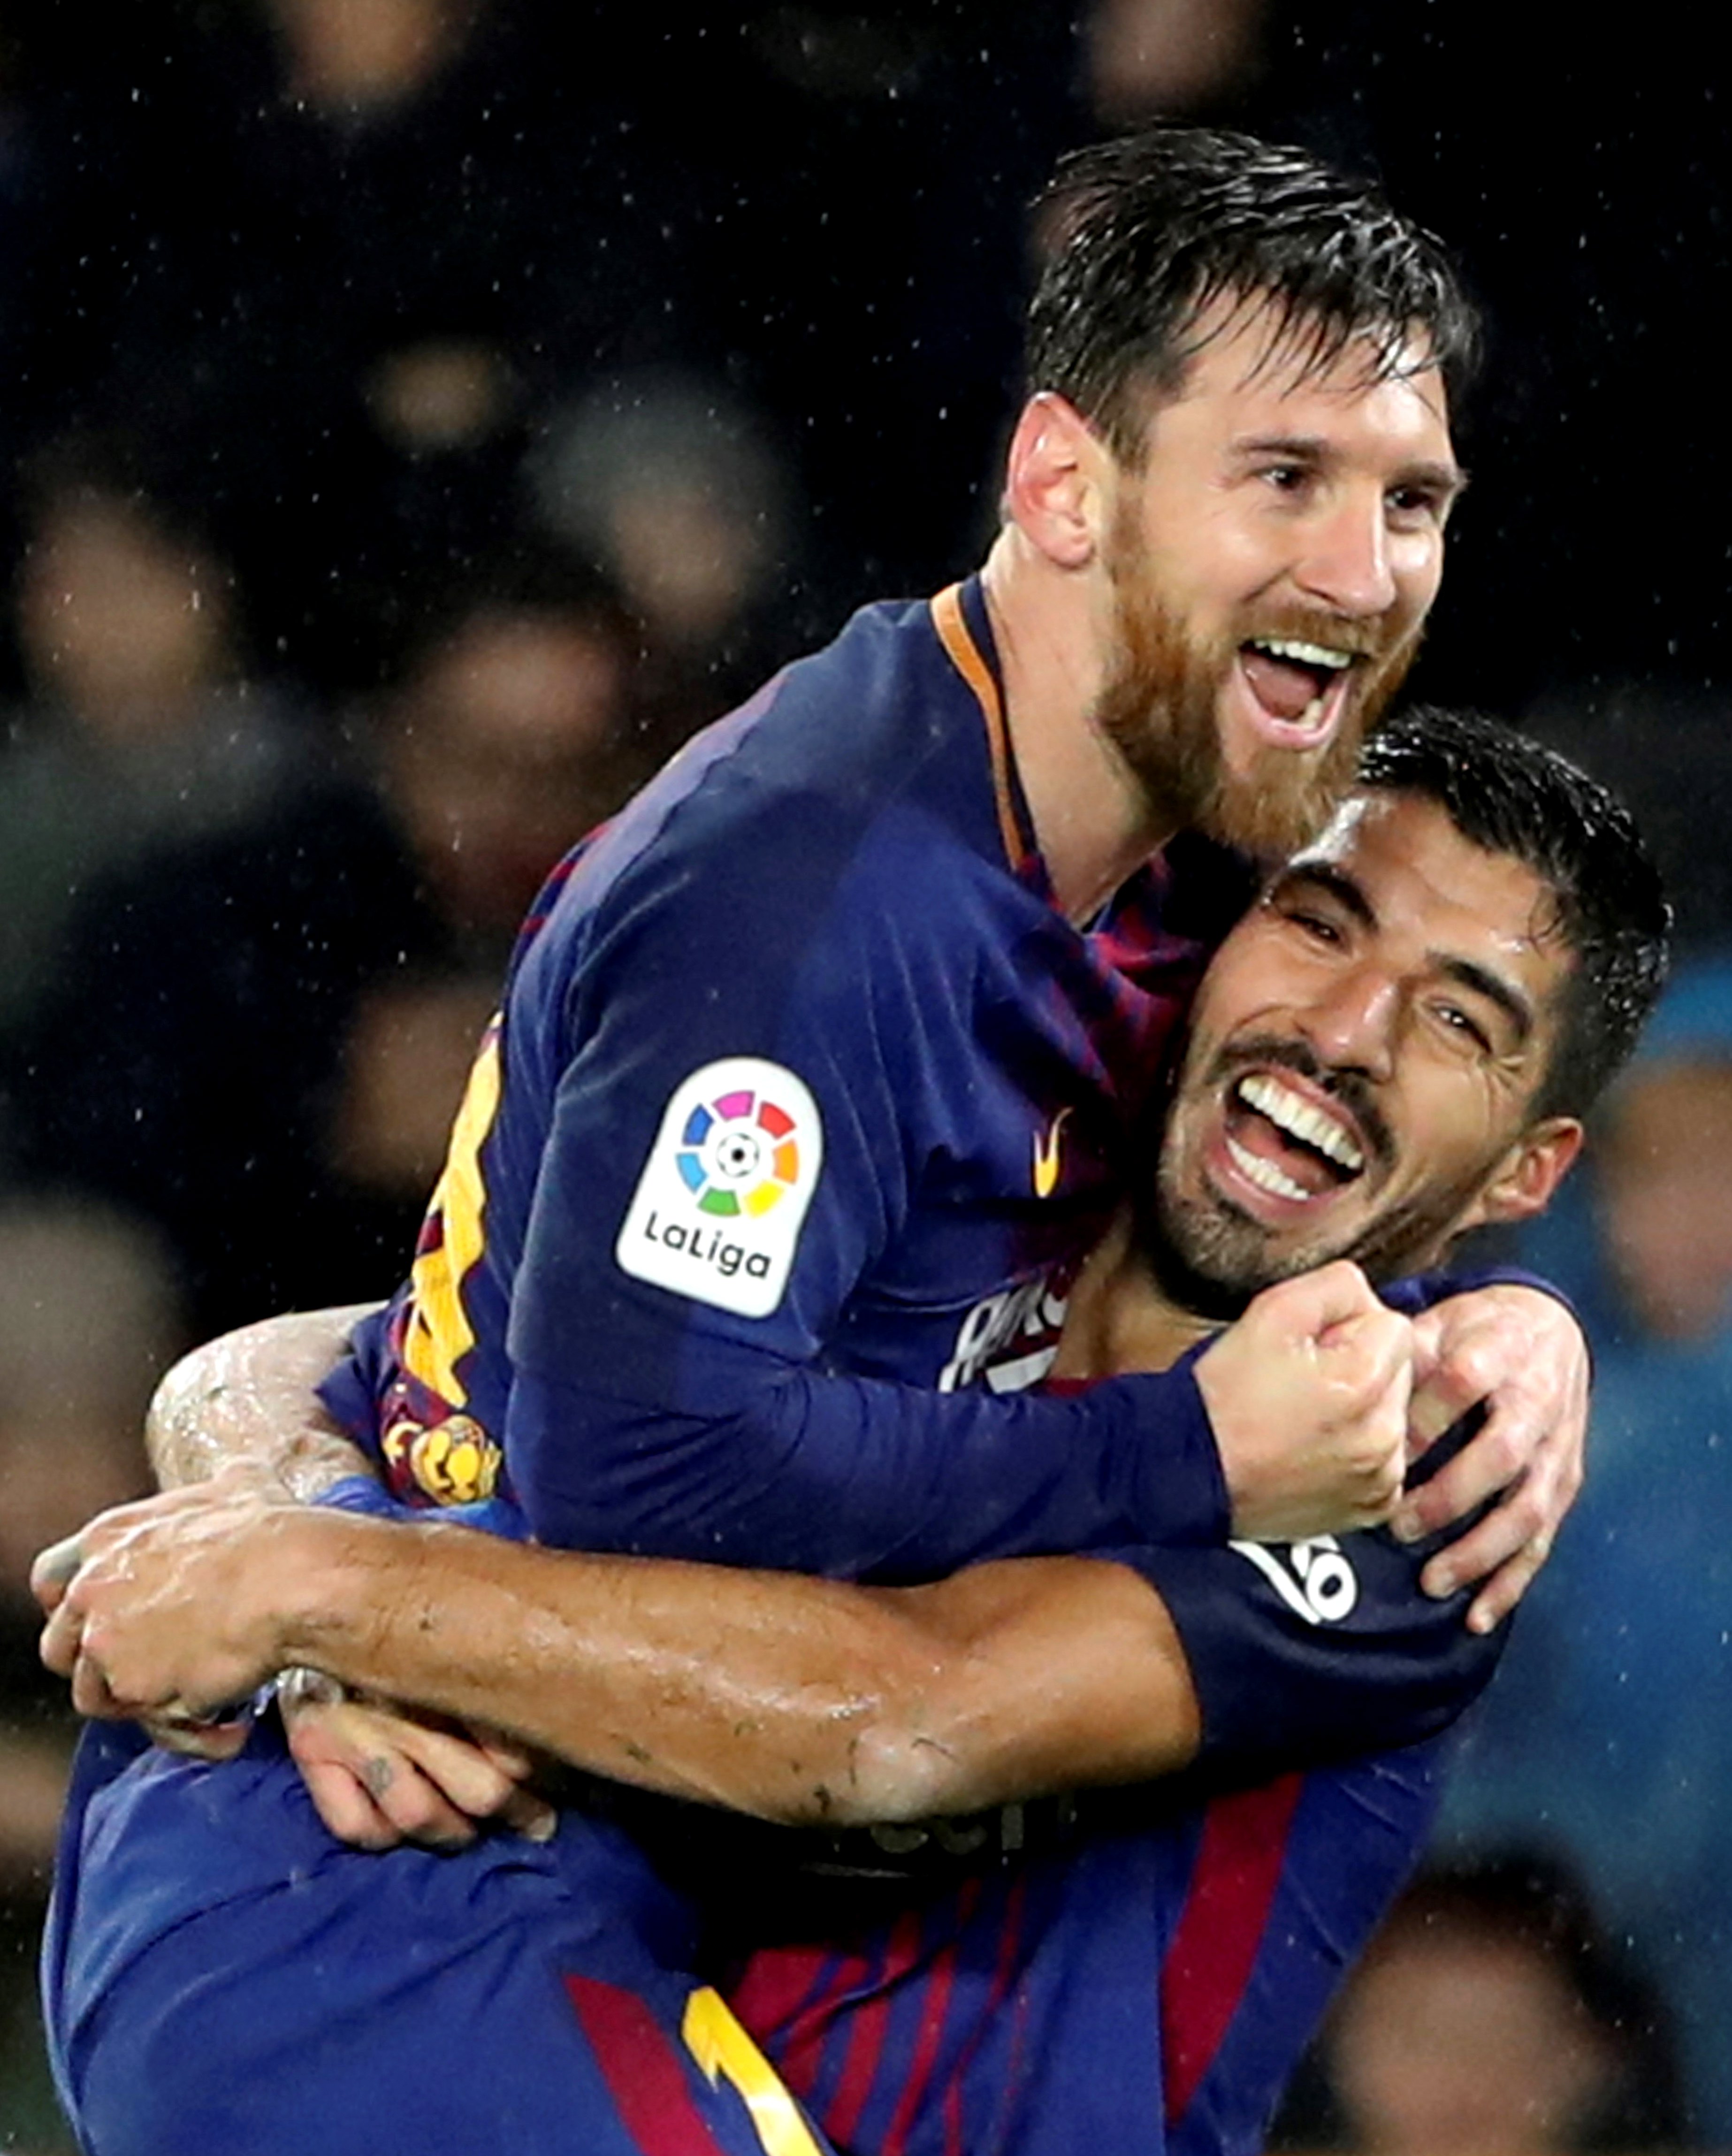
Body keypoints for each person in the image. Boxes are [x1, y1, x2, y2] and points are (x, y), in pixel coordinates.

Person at [40, 710, 1670, 2155]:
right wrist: (301, 1506)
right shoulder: (941, 1246)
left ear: (1527, 1174)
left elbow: (904, 1715)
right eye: (1317, 924)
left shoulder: (1416, 1479)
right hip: (546, 2028)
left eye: (1459, 1020)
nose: (1344, 1028)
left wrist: (314, 1591)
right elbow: (351, 1354)